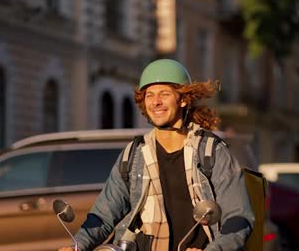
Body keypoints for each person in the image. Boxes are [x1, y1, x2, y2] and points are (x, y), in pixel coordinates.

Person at [59, 59, 254, 251]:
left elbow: (238, 218)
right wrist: (77, 246)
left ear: (184, 99)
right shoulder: (134, 155)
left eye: (164, 94)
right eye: (149, 95)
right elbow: (104, 214)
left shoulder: (212, 152)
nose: (156, 102)